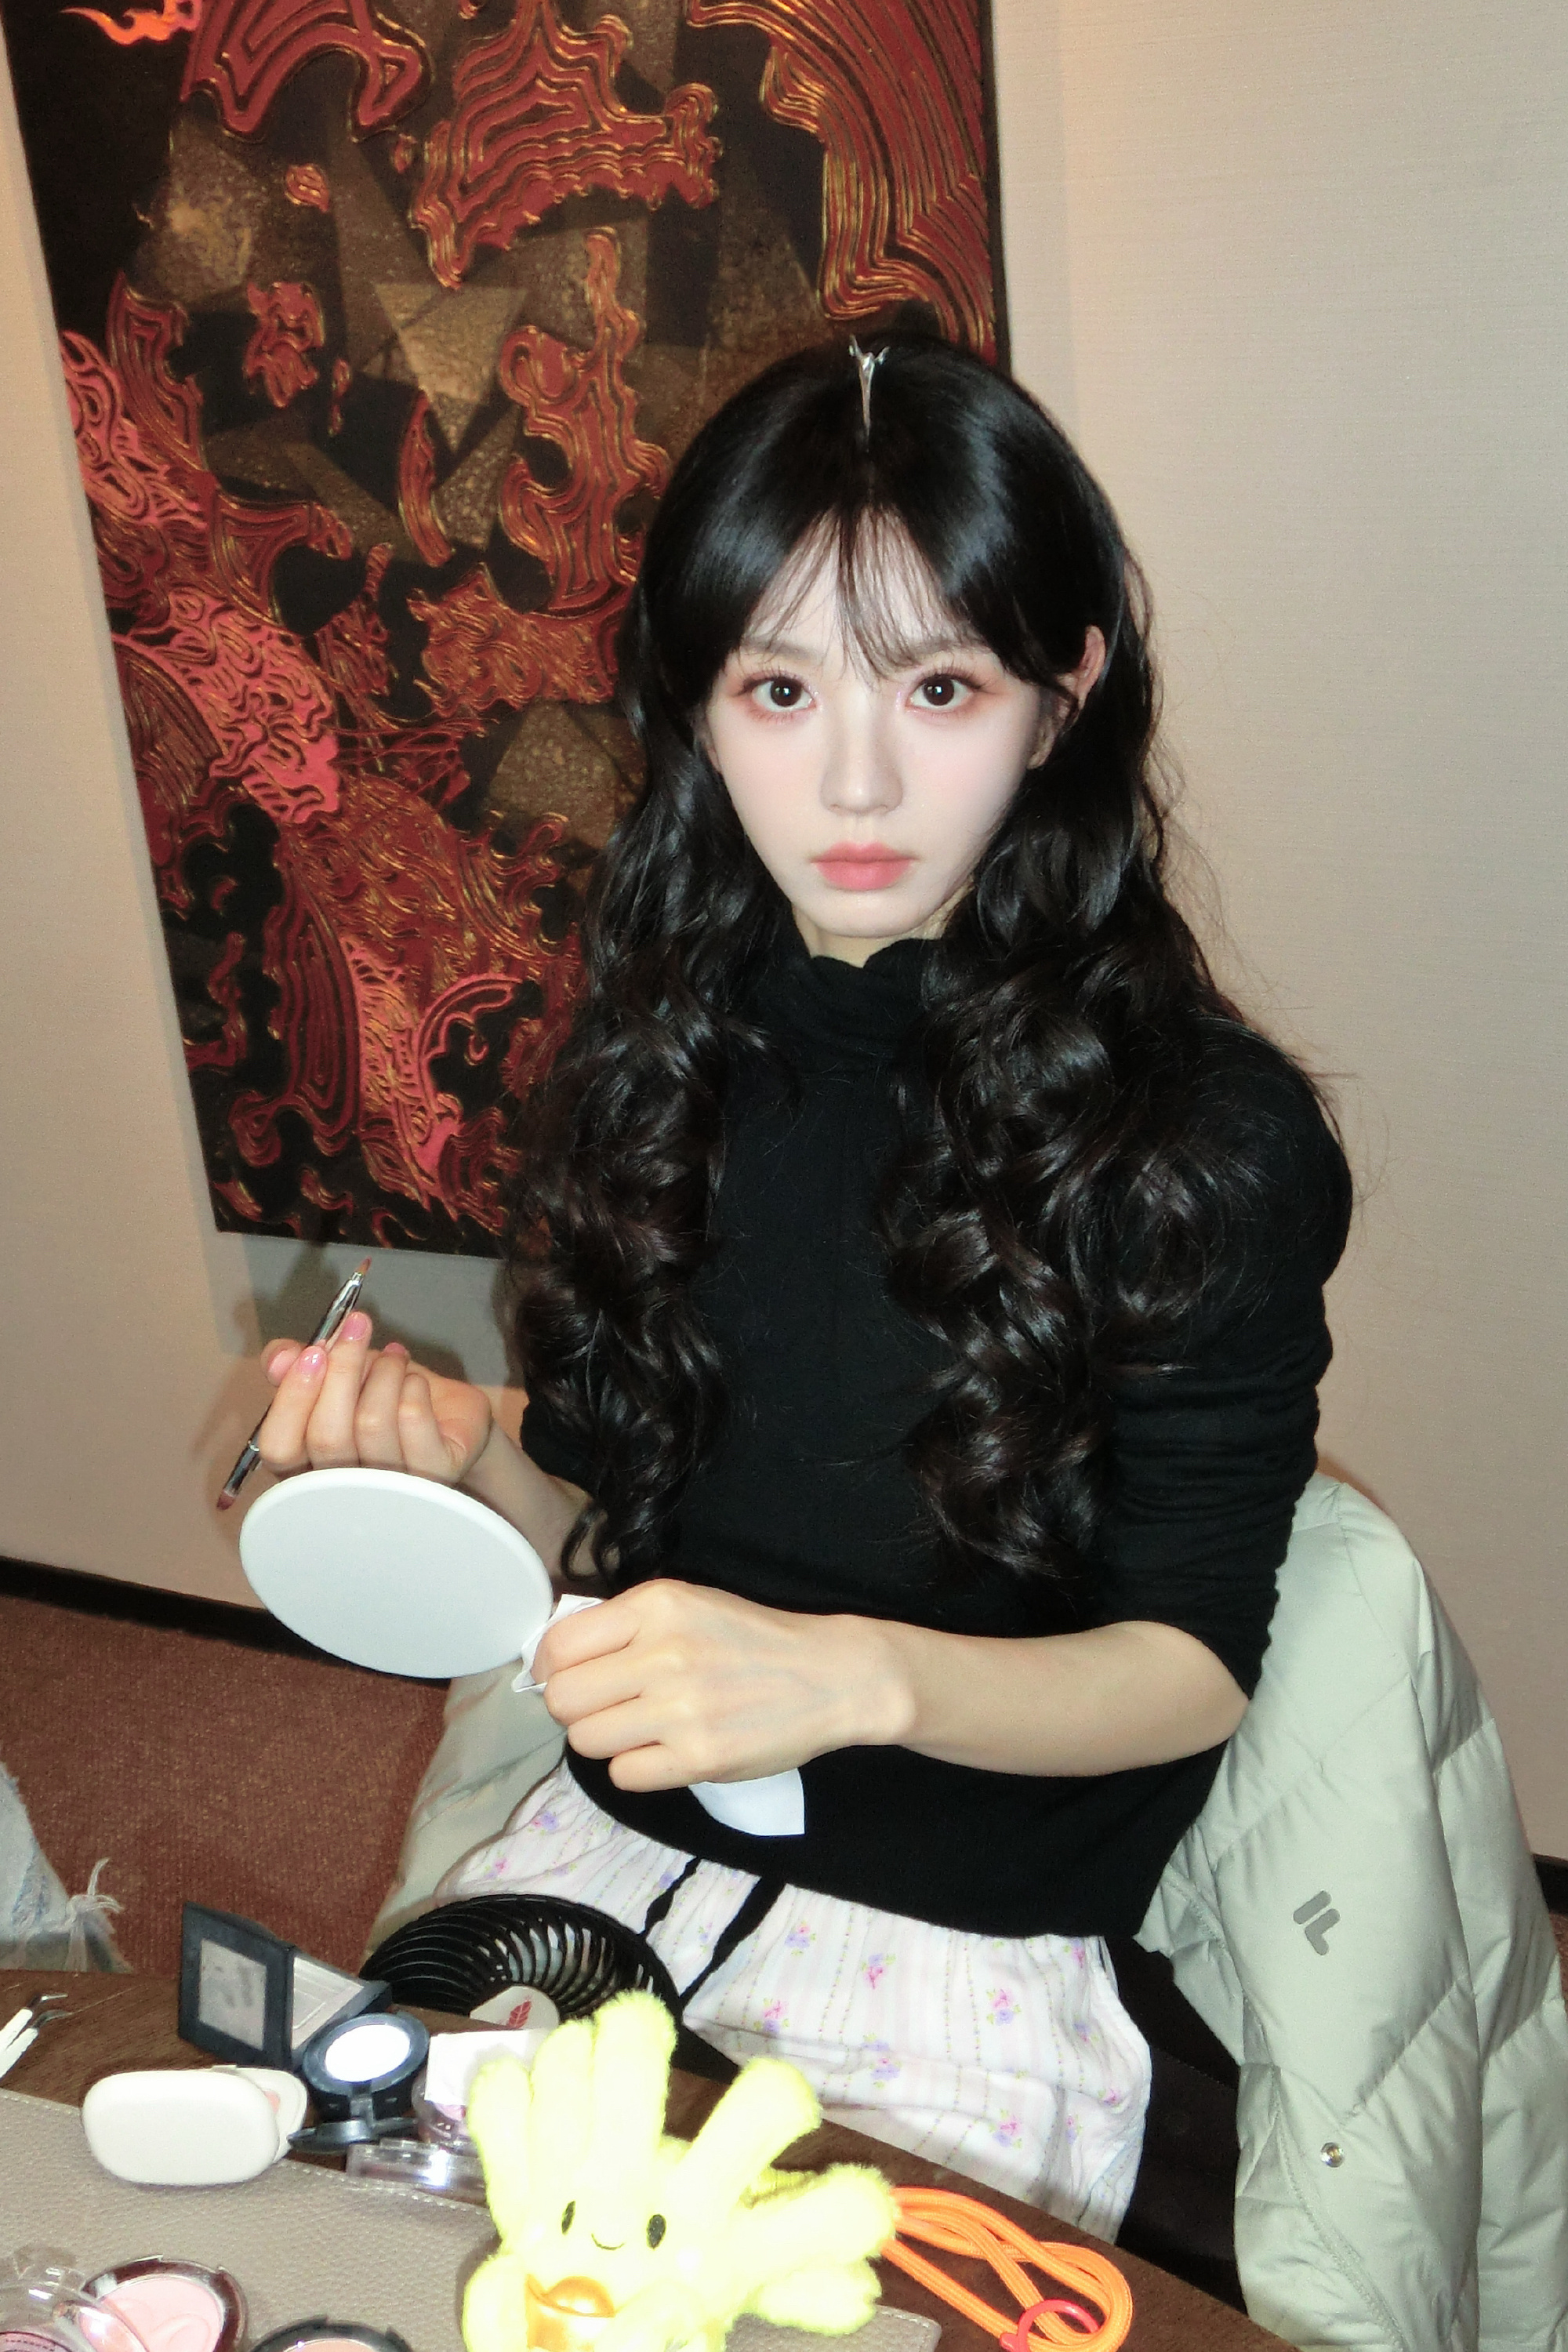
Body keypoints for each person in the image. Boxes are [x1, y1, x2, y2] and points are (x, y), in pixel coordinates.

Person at [254, 337, 1351, 2238]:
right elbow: (600, 1483)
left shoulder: (1199, 1138)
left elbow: (1188, 1668)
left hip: (958, 1942)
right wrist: (447, 1452)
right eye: (778, 688)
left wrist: (850, 1679)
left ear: (1061, 695)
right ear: (697, 705)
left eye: (939, 687)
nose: (854, 778)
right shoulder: (659, 1049)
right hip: (607, 1859)